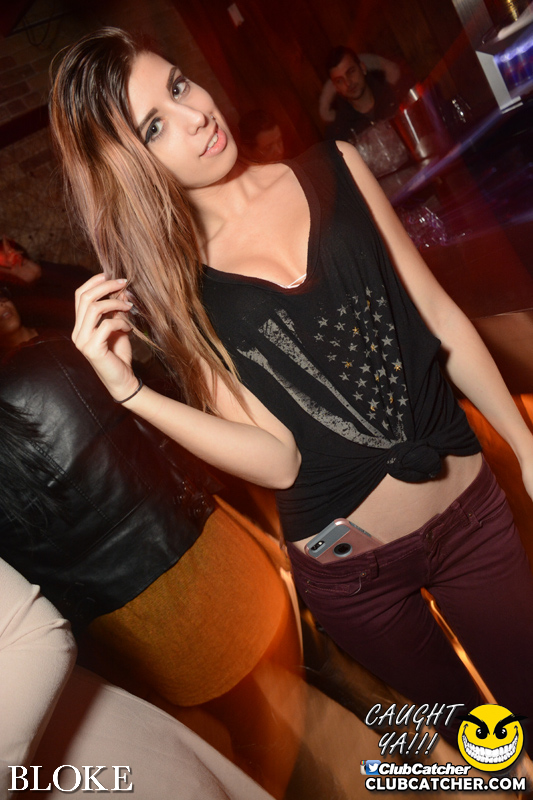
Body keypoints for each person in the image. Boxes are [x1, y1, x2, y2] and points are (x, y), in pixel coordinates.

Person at [49, 27, 533, 749]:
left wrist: (524, 444)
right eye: (155, 126)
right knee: (485, 748)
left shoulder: (335, 166)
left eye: (178, 85)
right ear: (133, 166)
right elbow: (277, 461)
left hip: (471, 517)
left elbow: (436, 315)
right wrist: (132, 395)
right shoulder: (178, 292)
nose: (195, 115)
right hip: (357, 581)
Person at [323, 46, 402, 142]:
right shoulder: (340, 133)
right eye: (339, 81)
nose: (348, 83)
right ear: (336, 87)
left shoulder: (396, 95)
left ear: (363, 68)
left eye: (351, 72)